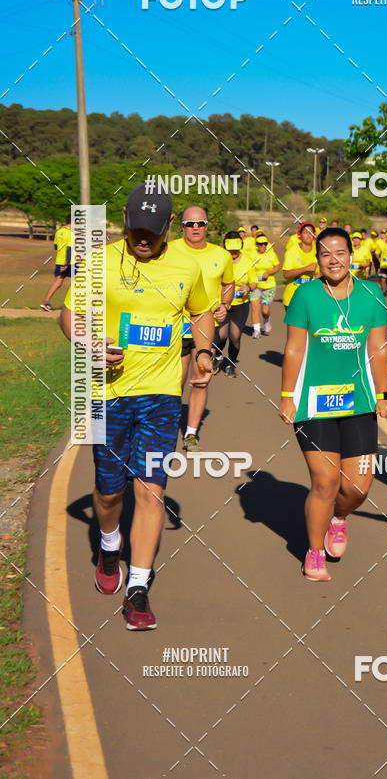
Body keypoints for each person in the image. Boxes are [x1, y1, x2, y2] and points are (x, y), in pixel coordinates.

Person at [60, 184, 213, 629]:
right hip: (104, 391)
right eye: (136, 228)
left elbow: (201, 312)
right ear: (125, 219)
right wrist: (87, 344)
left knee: (150, 491)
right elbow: (70, 314)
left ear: (169, 226)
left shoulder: (187, 265)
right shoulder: (99, 262)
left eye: (152, 230)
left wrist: (203, 352)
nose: (143, 237)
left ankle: (139, 588)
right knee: (109, 491)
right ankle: (110, 545)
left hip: (162, 395)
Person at [279, 227, 387, 581]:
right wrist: (287, 397)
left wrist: (384, 394)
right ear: (318, 259)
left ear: (350, 256)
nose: (334, 260)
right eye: (326, 254)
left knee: (357, 487)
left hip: (359, 402)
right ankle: (314, 552)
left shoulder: (371, 294)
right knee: (325, 481)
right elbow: (294, 348)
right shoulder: (306, 295)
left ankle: (339, 519)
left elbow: (378, 348)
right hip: (314, 404)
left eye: (340, 252)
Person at [170, 207, 234, 452]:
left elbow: (229, 283)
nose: (195, 228)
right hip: (174, 326)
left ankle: (191, 433)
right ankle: (164, 429)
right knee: (175, 382)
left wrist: (225, 305)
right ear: (181, 226)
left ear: (207, 225)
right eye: (189, 223)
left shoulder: (221, 255)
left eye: (200, 223)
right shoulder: (170, 250)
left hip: (205, 327)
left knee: (200, 381)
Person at [214, 232, 257, 377]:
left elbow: (254, 282)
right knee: (221, 335)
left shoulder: (247, 261)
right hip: (223, 304)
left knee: (235, 335)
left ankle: (231, 363)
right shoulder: (219, 260)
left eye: (235, 250)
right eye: (230, 250)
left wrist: (249, 288)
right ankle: (218, 357)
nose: (233, 253)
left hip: (240, 304)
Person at [249, 233, 280, 337]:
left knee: (265, 311)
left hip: (269, 286)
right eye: (260, 244)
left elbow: (277, 267)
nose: (263, 246)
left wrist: (269, 272)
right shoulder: (252, 255)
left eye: (265, 244)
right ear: (256, 244)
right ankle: (256, 330)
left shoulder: (271, 254)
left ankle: (266, 321)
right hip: (255, 287)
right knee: (254, 308)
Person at [41, 214, 73, 311]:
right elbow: (69, 249)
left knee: (58, 283)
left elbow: (55, 247)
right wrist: (66, 264)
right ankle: (73, 306)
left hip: (59, 260)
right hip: (69, 262)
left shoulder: (59, 231)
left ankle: (45, 302)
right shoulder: (71, 233)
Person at [282, 222, 318, 307]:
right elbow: (286, 274)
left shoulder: (318, 251)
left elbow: (319, 274)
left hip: (311, 296)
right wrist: (305, 269)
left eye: (311, 232)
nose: (308, 235)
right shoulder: (292, 251)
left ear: (314, 235)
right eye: (305, 232)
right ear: (300, 235)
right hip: (293, 296)